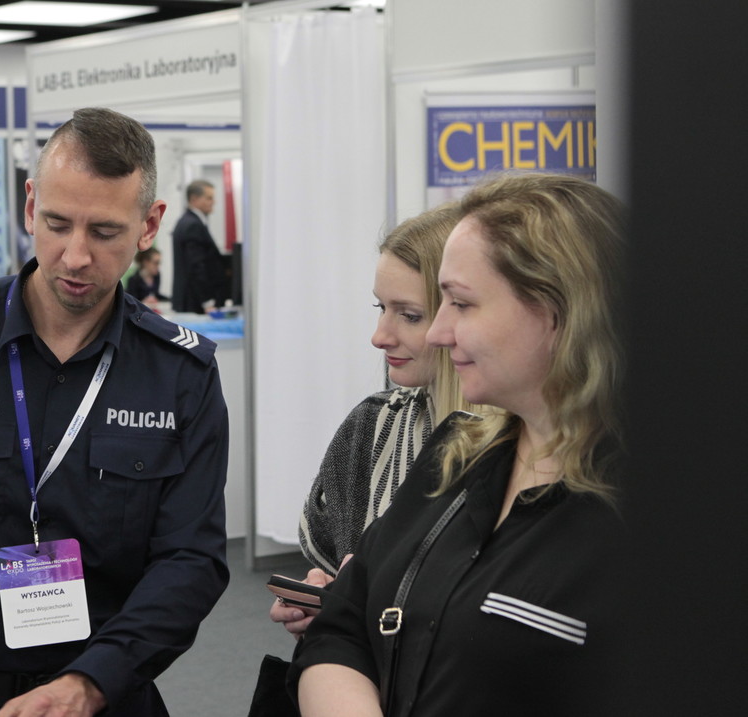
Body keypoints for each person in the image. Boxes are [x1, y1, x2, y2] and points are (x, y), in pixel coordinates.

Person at [0, 107, 230, 717]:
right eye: (57, 224)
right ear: (30, 207)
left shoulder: (181, 375)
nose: (75, 257)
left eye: (104, 232)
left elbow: (191, 559)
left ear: (149, 225)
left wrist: (90, 682)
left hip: (103, 695)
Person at [290, 173, 627, 716]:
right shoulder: (455, 455)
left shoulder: (657, 515)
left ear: (559, 311)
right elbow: (341, 626)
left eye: (461, 305)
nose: (438, 334)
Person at [268, 202, 471, 639]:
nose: (379, 336)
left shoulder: (527, 453)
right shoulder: (371, 427)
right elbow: (333, 564)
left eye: (410, 315)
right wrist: (326, 600)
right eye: (381, 307)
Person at [170, 179, 227, 313]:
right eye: (209, 198)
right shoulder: (193, 225)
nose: (213, 202)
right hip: (196, 303)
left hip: (190, 301)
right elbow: (196, 267)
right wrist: (207, 301)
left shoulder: (186, 221)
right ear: (194, 199)